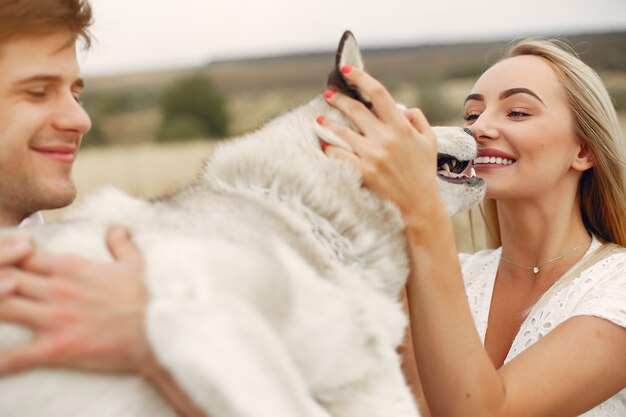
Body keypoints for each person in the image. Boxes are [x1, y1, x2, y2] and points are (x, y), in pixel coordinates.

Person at [318, 39, 626, 416]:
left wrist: (421, 208)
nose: (479, 129)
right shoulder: (450, 275)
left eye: (516, 112)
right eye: (471, 115)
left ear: (584, 151)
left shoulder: (617, 288)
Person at [0, 1, 205, 415]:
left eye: (75, 93)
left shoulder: (98, 272)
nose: (80, 119)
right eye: (38, 92)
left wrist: (152, 345)